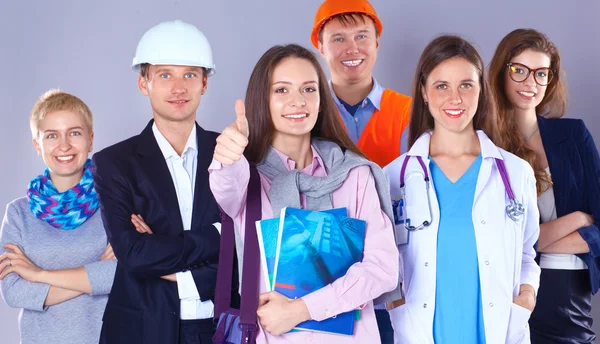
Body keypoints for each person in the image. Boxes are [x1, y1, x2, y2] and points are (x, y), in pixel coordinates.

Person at [209, 43, 399, 343]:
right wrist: (227, 155)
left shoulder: (353, 173)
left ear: (322, 100)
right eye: (282, 90)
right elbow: (225, 187)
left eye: (309, 89)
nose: (298, 101)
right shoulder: (247, 176)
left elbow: (383, 268)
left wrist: (302, 309)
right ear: (263, 101)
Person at [384, 35, 541, 344]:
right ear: (424, 93)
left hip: (495, 332)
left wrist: (527, 295)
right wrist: (394, 299)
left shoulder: (515, 173)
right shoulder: (395, 176)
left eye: (466, 85)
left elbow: (526, 253)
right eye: (441, 86)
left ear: (481, 91)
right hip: (424, 331)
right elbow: (384, 258)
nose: (454, 98)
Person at [91, 20, 234, 344]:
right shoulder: (114, 163)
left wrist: (163, 253)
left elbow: (246, 254)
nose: (179, 87)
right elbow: (135, 255)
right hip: (142, 330)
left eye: (190, 75)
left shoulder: (232, 153)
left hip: (222, 328)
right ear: (144, 83)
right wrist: (217, 236)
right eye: (165, 75)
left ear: (204, 84)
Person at [489, 28, 600, 344]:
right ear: (501, 72)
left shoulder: (573, 136)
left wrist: (531, 243)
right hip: (506, 291)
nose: (530, 83)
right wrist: (577, 220)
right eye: (519, 70)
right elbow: (493, 240)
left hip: (567, 294)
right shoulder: (483, 145)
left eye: (541, 74)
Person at [0, 89, 116, 344]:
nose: (64, 145)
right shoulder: (18, 214)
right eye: (51, 135)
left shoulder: (114, 204)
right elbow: (14, 292)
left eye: (74, 133)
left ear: (90, 139)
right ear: (37, 144)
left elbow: (120, 275)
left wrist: (38, 275)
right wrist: (94, 273)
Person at [311, 0, 412, 168]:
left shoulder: (407, 111)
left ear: (376, 43)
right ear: (321, 48)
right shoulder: (308, 110)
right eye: (338, 39)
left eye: (361, 36)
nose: (352, 48)